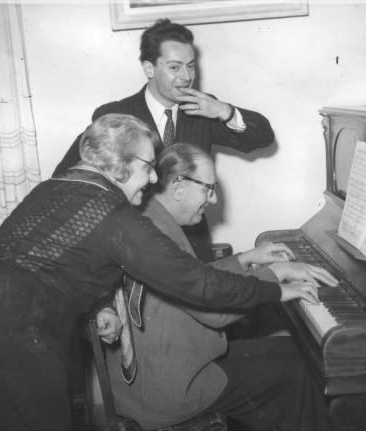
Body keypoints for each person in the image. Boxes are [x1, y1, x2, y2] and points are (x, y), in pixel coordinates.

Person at [0, 114, 316, 431]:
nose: (151, 178)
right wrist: (276, 292)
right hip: (14, 351)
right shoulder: (113, 215)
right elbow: (198, 284)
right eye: (147, 167)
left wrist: (97, 306)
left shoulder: (51, 188)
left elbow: (30, 264)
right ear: (118, 165)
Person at [101, 143, 336, 431]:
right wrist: (275, 275)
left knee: (289, 349)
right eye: (207, 189)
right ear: (177, 188)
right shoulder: (161, 231)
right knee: (295, 371)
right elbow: (213, 309)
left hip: (148, 378)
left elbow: (195, 278)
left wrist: (246, 259)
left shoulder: (149, 217)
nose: (212, 200)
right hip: (170, 391)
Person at [53, 18, 275, 263]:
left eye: (191, 66)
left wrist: (224, 111)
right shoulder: (114, 114)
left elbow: (262, 136)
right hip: (132, 247)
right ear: (150, 68)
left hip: (191, 243)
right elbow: (68, 177)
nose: (186, 76)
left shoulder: (204, 109)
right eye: (175, 67)